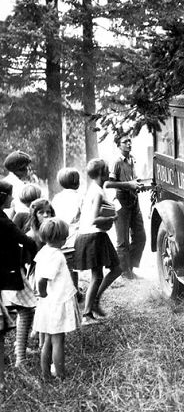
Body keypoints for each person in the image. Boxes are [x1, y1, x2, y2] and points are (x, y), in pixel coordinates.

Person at [74, 159, 121, 325]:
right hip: (93, 236)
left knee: (113, 270)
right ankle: (87, 313)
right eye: (107, 170)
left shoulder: (96, 189)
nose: (109, 173)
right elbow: (94, 219)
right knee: (99, 275)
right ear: (101, 173)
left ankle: (94, 303)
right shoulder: (97, 192)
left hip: (93, 235)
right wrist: (113, 217)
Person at [33, 217, 80, 380]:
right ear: (60, 239)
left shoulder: (43, 252)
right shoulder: (57, 255)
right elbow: (43, 279)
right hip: (56, 303)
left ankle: (46, 374)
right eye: (64, 238)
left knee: (47, 340)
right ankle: (60, 375)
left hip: (47, 304)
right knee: (58, 341)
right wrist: (43, 292)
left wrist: (43, 295)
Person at [0, 180, 38, 376]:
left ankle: (17, 353)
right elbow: (25, 240)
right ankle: (20, 357)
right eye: (9, 195)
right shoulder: (3, 220)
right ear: (2, 197)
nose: (12, 198)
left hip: (5, 271)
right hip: (10, 272)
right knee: (27, 309)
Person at [104, 134, 146, 280]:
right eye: (125, 142)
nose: (129, 143)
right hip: (121, 201)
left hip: (134, 199)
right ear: (118, 145)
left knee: (140, 237)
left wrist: (137, 184)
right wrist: (128, 185)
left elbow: (133, 180)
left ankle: (131, 268)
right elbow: (108, 184)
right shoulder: (116, 161)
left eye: (130, 141)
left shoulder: (132, 159)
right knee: (123, 241)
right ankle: (125, 273)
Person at [2, 150, 34, 218]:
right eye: (27, 167)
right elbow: (22, 211)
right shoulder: (17, 186)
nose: (29, 169)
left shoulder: (5, 181)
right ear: (19, 169)